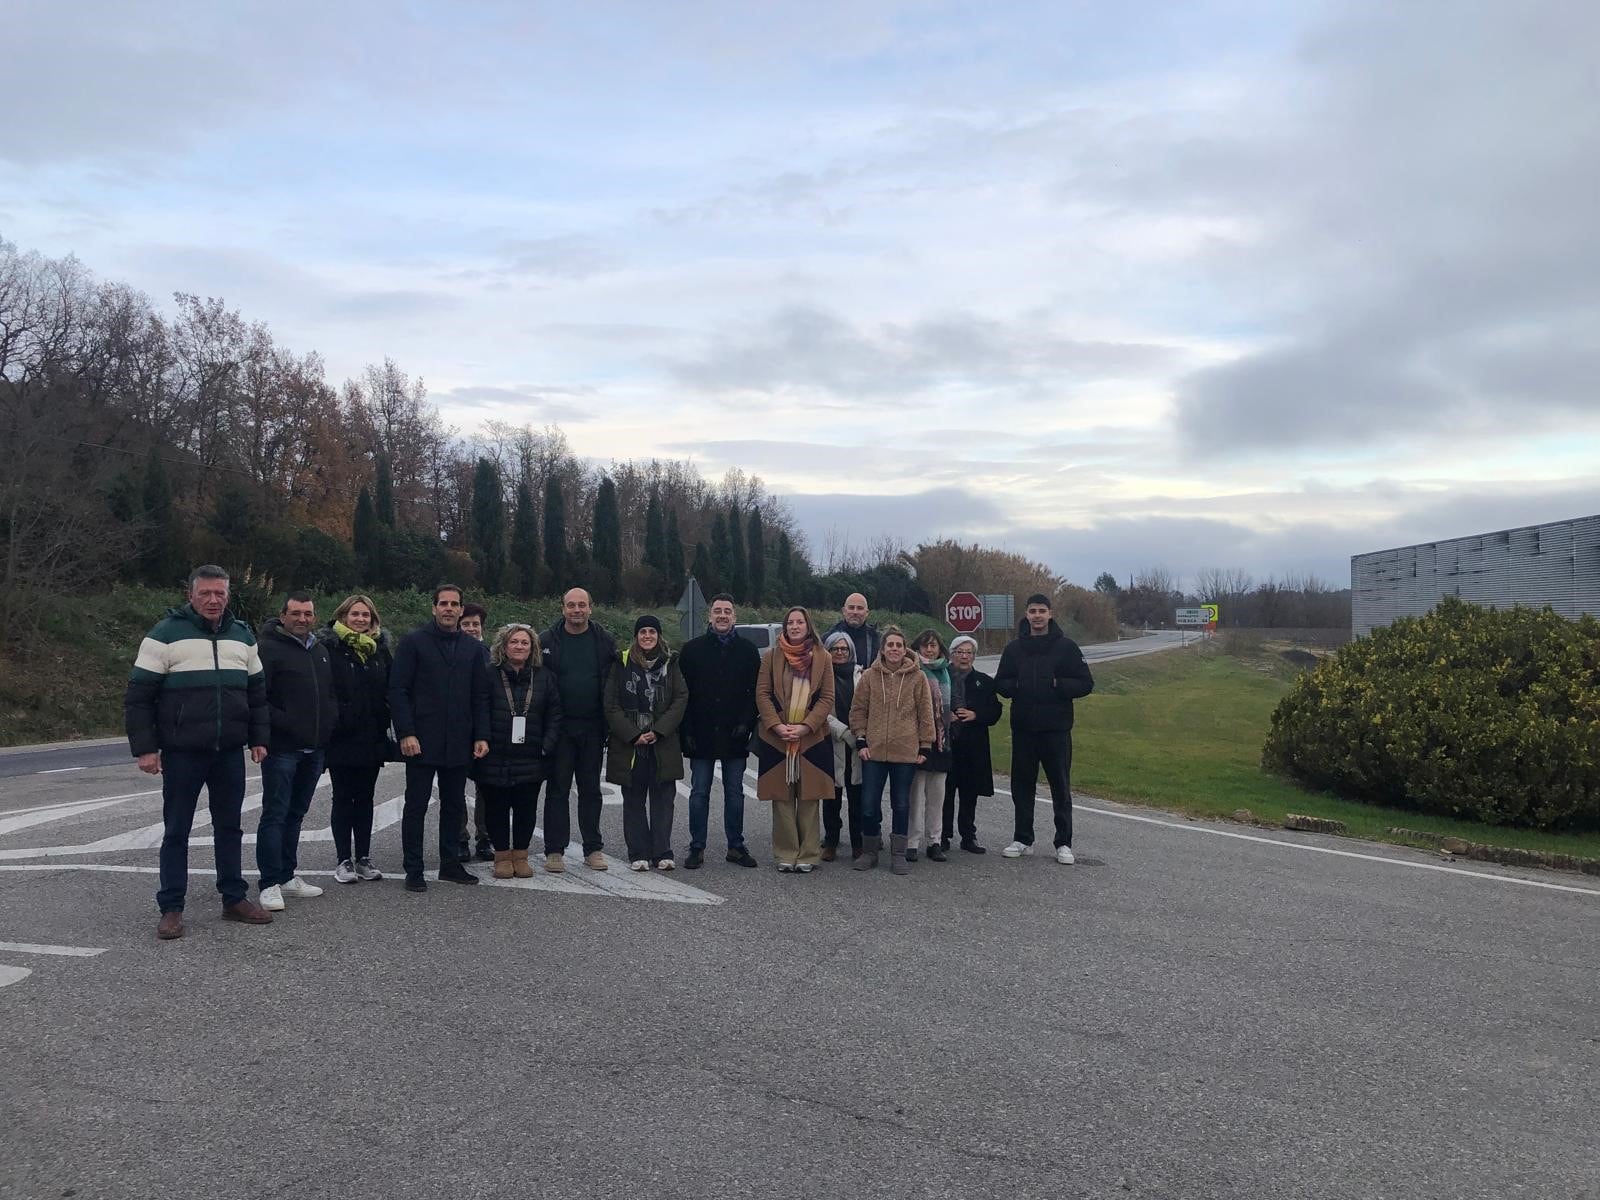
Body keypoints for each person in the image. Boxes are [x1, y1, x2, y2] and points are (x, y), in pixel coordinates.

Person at [125, 565, 273, 939]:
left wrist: (259, 738)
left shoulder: (242, 635)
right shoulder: (164, 635)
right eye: (205, 593)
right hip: (182, 752)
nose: (213, 600)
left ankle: (234, 898)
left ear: (228, 595)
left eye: (219, 593)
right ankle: (171, 907)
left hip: (228, 753)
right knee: (177, 829)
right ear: (190, 595)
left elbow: (257, 694)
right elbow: (139, 697)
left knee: (230, 827)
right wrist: (146, 748)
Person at [388, 584, 492, 892]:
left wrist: (481, 735)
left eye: (454, 604)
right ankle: (414, 868)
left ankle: (450, 864)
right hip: (421, 740)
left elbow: (480, 696)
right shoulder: (413, 642)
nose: (449, 608)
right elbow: (398, 691)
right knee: (416, 805)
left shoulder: (473, 649)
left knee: (453, 804)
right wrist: (406, 732)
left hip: (459, 740)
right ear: (434, 608)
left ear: (461, 610)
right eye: (443, 603)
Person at [994, 593, 1095, 864]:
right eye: (1032, 611)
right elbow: (1001, 682)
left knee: (1060, 786)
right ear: (1026, 615)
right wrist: (1016, 686)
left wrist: (1059, 685)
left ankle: (1063, 842)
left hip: (1056, 729)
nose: (1037, 616)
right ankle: (1022, 838)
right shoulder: (1014, 649)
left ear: (1050, 614)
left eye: (1041, 611)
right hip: (1024, 729)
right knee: (1022, 785)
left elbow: (1086, 683)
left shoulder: (1066, 647)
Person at [255, 591, 337, 911]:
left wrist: (329, 724)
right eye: (296, 613)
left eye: (308, 613)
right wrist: (285, 723)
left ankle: (288, 876)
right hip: (283, 748)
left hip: (314, 748)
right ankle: (269, 883)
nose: (302, 619)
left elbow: (329, 694)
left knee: (296, 815)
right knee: (274, 815)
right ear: (283, 615)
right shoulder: (268, 649)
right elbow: (259, 698)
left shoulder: (320, 649)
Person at [677, 593, 760, 869]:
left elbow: (754, 693)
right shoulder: (691, 651)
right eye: (717, 611)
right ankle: (696, 847)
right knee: (699, 792)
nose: (722, 615)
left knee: (735, 793)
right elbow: (683, 695)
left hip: (734, 734)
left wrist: (746, 722)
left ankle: (736, 846)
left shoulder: (748, 652)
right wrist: (685, 731)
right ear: (709, 616)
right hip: (700, 733)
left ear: (734, 617)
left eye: (727, 611)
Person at [472, 624, 561, 879]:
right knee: (496, 808)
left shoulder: (544, 676)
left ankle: (520, 855)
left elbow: (555, 713)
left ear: (532, 647)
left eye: (525, 642)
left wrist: (547, 743)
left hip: (532, 753)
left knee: (526, 808)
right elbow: (480, 708)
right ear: (503, 645)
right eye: (514, 642)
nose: (519, 647)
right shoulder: (489, 674)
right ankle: (501, 855)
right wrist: (482, 738)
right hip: (495, 753)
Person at [539, 588, 618, 871]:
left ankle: (593, 848)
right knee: (557, 790)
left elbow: (613, 682)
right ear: (562, 609)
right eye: (571, 605)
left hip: (593, 727)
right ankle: (554, 851)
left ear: (590, 608)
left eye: (581, 605)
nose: (576, 610)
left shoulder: (604, 640)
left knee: (590, 790)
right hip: (559, 728)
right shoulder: (546, 640)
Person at [320, 594, 394, 884]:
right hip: (341, 737)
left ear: (373, 619)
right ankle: (343, 860)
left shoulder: (380, 651)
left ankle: (363, 857)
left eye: (366, 615)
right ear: (343, 617)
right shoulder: (330, 647)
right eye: (355, 614)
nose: (361, 619)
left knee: (366, 798)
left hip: (371, 736)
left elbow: (390, 688)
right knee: (342, 797)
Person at [755, 607, 835, 873]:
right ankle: (786, 853)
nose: (795, 626)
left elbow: (827, 698)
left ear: (808, 625)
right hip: (778, 738)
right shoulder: (772, 656)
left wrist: (806, 726)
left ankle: (809, 854)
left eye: (800, 622)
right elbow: (763, 694)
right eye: (790, 622)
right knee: (782, 798)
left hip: (811, 738)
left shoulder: (823, 658)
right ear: (784, 626)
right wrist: (777, 726)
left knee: (810, 797)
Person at [604, 615, 688, 871]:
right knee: (633, 800)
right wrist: (633, 734)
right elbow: (611, 703)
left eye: (652, 631)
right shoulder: (622, 662)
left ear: (659, 635)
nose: (647, 636)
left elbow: (680, 697)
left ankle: (662, 851)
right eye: (643, 632)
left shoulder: (671, 662)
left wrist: (659, 730)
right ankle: (638, 852)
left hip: (663, 744)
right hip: (631, 745)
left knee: (663, 799)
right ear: (636, 636)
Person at [848, 626, 934, 876]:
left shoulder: (918, 678)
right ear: (883, 649)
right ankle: (870, 851)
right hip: (873, 751)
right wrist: (861, 740)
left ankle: (898, 853)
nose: (894, 649)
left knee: (901, 803)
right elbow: (858, 710)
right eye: (890, 645)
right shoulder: (869, 677)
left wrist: (925, 745)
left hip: (905, 752)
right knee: (868, 804)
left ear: (904, 648)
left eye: (898, 645)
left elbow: (925, 713)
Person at [941, 634, 1001, 855]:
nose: (964, 657)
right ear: (951, 654)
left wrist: (976, 714)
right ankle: (943, 836)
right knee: (945, 793)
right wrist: (945, 715)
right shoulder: (941, 677)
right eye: (960, 652)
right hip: (946, 744)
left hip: (973, 745)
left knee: (969, 793)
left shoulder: (984, 682)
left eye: (969, 653)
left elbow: (996, 711)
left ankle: (968, 835)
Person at [906, 629, 952, 864]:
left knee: (937, 796)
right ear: (917, 647)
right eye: (925, 645)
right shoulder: (912, 669)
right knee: (916, 796)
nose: (930, 649)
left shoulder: (945, 671)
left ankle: (935, 840)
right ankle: (911, 842)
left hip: (941, 741)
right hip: (918, 740)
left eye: (934, 645)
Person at [821, 631, 864, 861]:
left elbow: (869, 707)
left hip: (859, 743)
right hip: (833, 742)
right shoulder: (821, 676)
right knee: (831, 797)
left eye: (843, 649)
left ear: (850, 651)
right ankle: (831, 842)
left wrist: (859, 734)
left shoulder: (862, 675)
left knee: (857, 797)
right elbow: (819, 710)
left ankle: (858, 843)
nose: (839, 653)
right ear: (827, 651)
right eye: (835, 649)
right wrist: (844, 732)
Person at [458, 602, 494, 864]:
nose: (471, 628)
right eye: (466, 624)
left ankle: (485, 838)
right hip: (458, 729)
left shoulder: (492, 654)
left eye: (475, 624)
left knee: (487, 788)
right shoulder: (452, 651)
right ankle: (459, 838)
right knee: (456, 788)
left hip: (485, 729)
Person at [826, 592, 881, 671]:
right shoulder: (829, 638)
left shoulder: (876, 639)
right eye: (851, 608)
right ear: (844, 611)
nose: (855, 612)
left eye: (860, 608)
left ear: (867, 613)